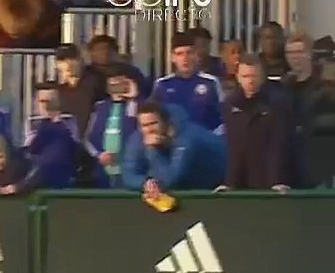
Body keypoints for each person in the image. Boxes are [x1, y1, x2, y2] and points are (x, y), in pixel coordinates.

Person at [217, 56, 292, 193]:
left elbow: (278, 144)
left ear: (263, 77)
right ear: (238, 77)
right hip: (244, 179)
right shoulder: (230, 104)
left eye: (254, 76)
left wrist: (276, 181)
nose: (250, 81)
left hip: (272, 178)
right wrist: (229, 183)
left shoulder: (277, 102)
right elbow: (234, 146)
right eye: (245, 76)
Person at [121, 101, 226, 194]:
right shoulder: (137, 138)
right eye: (144, 125)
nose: (149, 130)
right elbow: (128, 174)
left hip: (217, 182)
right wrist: (145, 183)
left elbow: (171, 180)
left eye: (153, 123)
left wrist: (152, 150)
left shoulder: (186, 138)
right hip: (190, 185)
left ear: (166, 122)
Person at [152, 31, 224, 134]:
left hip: (204, 143)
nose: (185, 58)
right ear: (173, 58)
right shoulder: (162, 84)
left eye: (189, 53)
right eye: (179, 54)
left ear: (196, 55)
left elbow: (224, 116)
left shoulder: (211, 82)